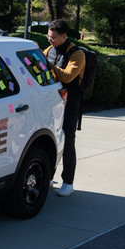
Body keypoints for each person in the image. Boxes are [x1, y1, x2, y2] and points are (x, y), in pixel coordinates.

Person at [43, 19, 86, 197]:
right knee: (51, 140)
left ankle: (68, 182)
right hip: (53, 101)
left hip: (71, 102)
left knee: (68, 140)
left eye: (53, 37)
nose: (49, 39)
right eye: (48, 35)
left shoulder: (77, 54)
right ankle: (49, 177)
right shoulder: (48, 50)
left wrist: (46, 65)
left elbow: (68, 77)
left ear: (64, 36)